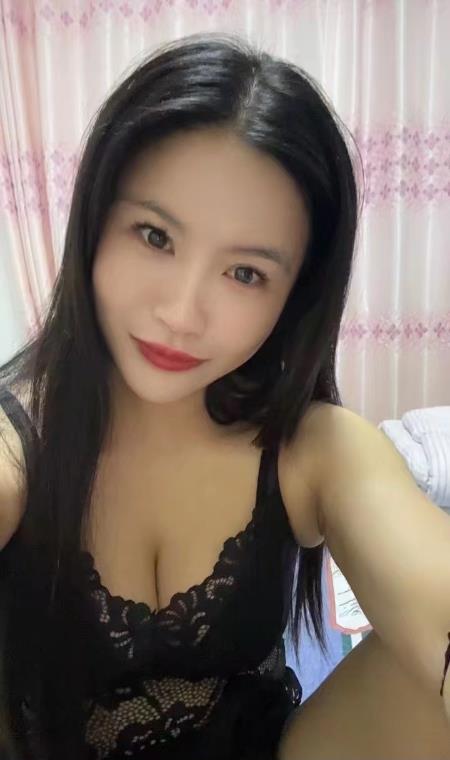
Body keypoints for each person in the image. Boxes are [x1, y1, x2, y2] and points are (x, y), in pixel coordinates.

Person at [1, 31, 450, 760]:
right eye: (155, 235)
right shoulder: (19, 449)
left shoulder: (312, 448)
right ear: (95, 223)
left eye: (245, 274)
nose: (182, 313)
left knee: (417, 674)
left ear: (293, 297)